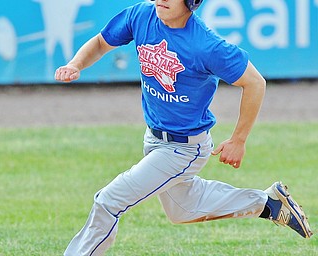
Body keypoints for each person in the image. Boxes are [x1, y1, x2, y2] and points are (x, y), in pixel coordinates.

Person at [55, 0, 313, 255]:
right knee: (183, 210)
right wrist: (75, 64)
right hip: (154, 139)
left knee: (109, 201)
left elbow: (255, 83)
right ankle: (269, 204)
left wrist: (238, 140)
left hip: (183, 150)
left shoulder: (205, 45)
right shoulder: (142, 15)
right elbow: (101, 42)